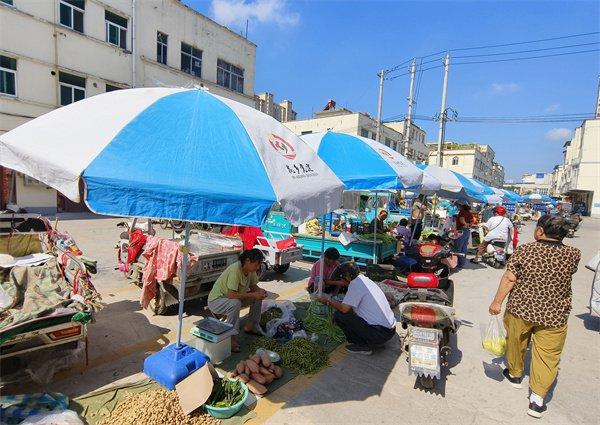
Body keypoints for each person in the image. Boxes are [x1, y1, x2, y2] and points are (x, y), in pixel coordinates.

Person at [488, 215, 580, 418]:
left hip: (521, 308)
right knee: (548, 356)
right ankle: (537, 400)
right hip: (555, 314)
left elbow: (510, 278)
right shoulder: (574, 254)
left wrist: (496, 302)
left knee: (515, 341)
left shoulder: (525, 250)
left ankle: (514, 374)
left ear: (540, 231)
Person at [318, 262, 396, 355]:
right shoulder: (365, 280)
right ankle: (373, 340)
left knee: (339, 315)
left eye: (343, 278)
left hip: (380, 334)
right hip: (390, 331)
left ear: (347, 277)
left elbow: (344, 309)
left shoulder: (355, 285)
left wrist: (328, 301)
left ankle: (362, 345)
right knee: (351, 313)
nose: (342, 281)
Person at [207, 249, 267, 352]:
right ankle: (230, 338)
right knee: (235, 303)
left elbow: (253, 287)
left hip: (230, 299)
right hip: (216, 301)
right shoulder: (235, 270)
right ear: (248, 261)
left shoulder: (250, 270)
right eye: (257, 264)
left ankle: (251, 326)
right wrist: (254, 294)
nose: (258, 267)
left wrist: (261, 292)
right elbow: (231, 294)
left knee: (257, 297)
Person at [453, 204, 473, 269]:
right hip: (467, 231)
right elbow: (473, 221)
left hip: (461, 230)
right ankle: (461, 263)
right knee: (464, 248)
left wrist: (465, 224)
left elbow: (462, 219)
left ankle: (455, 263)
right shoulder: (469, 213)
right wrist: (468, 225)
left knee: (458, 247)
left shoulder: (462, 212)